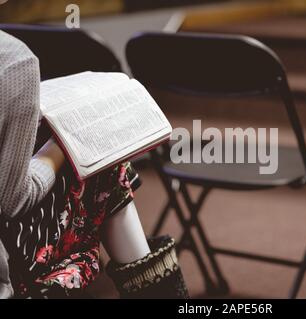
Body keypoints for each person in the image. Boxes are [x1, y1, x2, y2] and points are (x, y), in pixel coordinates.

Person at [0, 28, 188, 298]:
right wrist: (62, 142)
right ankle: (160, 291)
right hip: (8, 254)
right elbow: (14, 200)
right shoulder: (13, 60)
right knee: (106, 167)